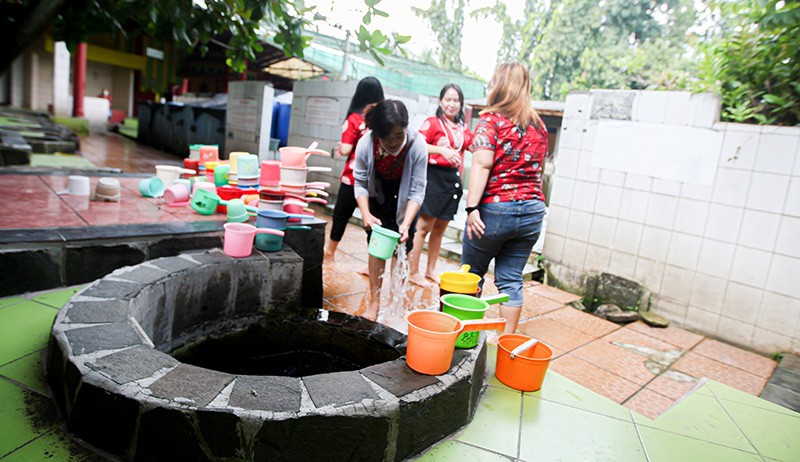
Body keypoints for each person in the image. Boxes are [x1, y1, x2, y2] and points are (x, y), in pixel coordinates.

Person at [461, 62, 548, 334]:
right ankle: (506, 343)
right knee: (511, 279)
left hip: (496, 211)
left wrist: (471, 208)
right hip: (533, 212)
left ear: (498, 84)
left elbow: (482, 164)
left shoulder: (491, 120)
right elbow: (539, 170)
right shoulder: (539, 125)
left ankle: (464, 338)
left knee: (471, 275)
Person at [353, 100, 428, 321]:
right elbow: (360, 183)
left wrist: (406, 223)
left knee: (402, 248)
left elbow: (418, 190)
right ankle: (374, 303)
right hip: (378, 195)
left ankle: (396, 304)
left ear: (406, 128)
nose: (394, 142)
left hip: (407, 199)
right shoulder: (366, 144)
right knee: (377, 247)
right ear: (377, 133)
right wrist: (366, 214)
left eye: (399, 135)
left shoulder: (418, 144)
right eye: (387, 138)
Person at [408, 83, 473, 288]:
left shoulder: (462, 129)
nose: (452, 104)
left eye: (456, 100)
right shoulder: (432, 123)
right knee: (423, 228)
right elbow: (416, 144)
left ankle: (430, 270)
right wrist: (441, 150)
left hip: (452, 181)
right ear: (440, 101)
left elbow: (474, 145)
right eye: (448, 99)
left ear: (461, 104)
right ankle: (413, 272)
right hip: (433, 177)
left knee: (439, 229)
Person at [324, 76, 385, 262]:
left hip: (352, 177)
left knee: (341, 215)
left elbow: (345, 149)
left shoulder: (355, 119)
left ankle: (330, 253)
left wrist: (341, 147)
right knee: (374, 221)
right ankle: (373, 263)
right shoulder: (383, 119)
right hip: (377, 180)